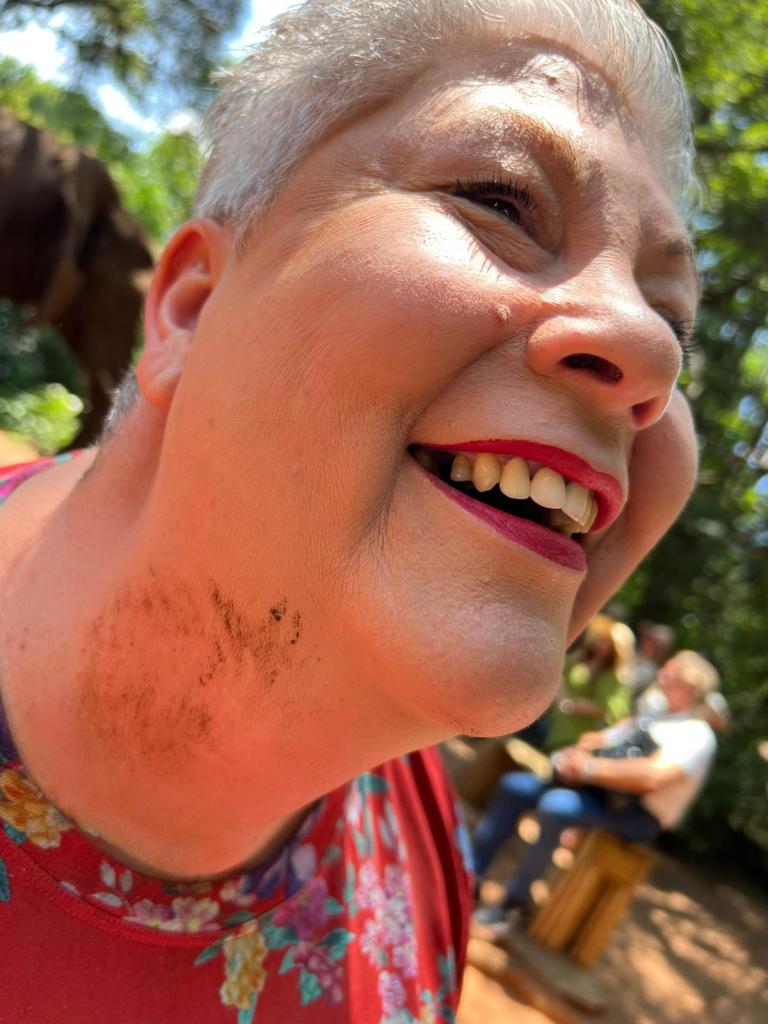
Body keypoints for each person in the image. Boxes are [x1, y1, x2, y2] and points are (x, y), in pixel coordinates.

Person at [0, 1, 701, 1020]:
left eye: (674, 316)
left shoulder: (432, 853)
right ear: (191, 308)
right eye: (500, 200)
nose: (651, 347)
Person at [472, 651, 719, 931]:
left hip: (640, 815)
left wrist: (589, 768)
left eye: (670, 672)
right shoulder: (654, 709)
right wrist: (573, 756)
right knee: (515, 787)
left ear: (690, 686)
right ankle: (471, 873)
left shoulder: (696, 735)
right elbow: (608, 738)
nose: (661, 675)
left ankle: (515, 902)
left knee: (557, 806)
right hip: (600, 792)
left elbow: (653, 777)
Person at [539, 614, 634, 753]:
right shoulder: (582, 657)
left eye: (608, 642)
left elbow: (609, 712)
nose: (602, 645)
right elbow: (559, 667)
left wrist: (570, 705)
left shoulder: (612, 677)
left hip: (575, 734)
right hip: (552, 722)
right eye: (602, 639)